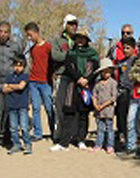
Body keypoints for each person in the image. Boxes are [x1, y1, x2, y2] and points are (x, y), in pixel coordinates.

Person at [51, 29, 99, 151]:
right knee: (69, 114)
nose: (80, 40)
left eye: (83, 38)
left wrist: (87, 79)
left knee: (83, 115)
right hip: (72, 86)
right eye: (78, 37)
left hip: (86, 88)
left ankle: (81, 139)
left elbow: (95, 69)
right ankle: (63, 143)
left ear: (87, 40)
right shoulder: (71, 53)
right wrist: (79, 78)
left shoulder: (93, 53)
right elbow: (69, 67)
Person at [0, 22, 24, 147]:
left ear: (9, 33)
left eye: (6, 32)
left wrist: (18, 77)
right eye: (1, 31)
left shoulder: (15, 46)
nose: (3, 34)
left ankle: (6, 136)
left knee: (8, 110)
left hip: (10, 81)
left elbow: (21, 61)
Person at [24, 22, 54, 141]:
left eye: (30, 35)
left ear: (36, 33)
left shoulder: (48, 46)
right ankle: (38, 133)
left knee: (49, 107)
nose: (29, 38)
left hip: (45, 81)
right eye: (27, 36)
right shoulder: (32, 49)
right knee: (36, 108)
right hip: (33, 81)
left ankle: (53, 131)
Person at [51, 14, 78, 143]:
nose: (74, 26)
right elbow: (55, 55)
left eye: (75, 24)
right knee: (60, 106)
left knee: (73, 108)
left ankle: (72, 134)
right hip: (61, 76)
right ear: (65, 25)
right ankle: (58, 134)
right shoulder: (57, 41)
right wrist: (69, 56)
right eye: (71, 23)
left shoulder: (78, 41)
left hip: (75, 78)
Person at [1, 55, 32, 155]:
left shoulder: (25, 76)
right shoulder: (9, 77)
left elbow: (21, 86)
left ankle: (27, 144)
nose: (18, 68)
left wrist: (10, 86)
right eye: (16, 65)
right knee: (13, 128)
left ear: (24, 66)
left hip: (22, 105)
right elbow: (4, 89)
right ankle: (16, 144)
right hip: (11, 105)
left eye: (20, 65)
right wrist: (13, 86)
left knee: (24, 127)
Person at [114, 36, 137, 150]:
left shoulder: (136, 62)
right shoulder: (121, 63)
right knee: (121, 116)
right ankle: (123, 138)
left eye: (128, 48)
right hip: (122, 93)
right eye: (124, 48)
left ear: (134, 48)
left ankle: (133, 141)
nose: (125, 50)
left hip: (133, 94)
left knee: (132, 118)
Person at [91, 58, 118, 154]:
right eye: (104, 71)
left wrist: (103, 105)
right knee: (100, 128)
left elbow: (113, 97)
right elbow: (94, 95)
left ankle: (110, 145)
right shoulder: (97, 83)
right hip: (99, 110)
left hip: (108, 110)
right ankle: (98, 144)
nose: (107, 73)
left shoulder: (113, 83)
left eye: (108, 71)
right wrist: (95, 104)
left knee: (109, 128)